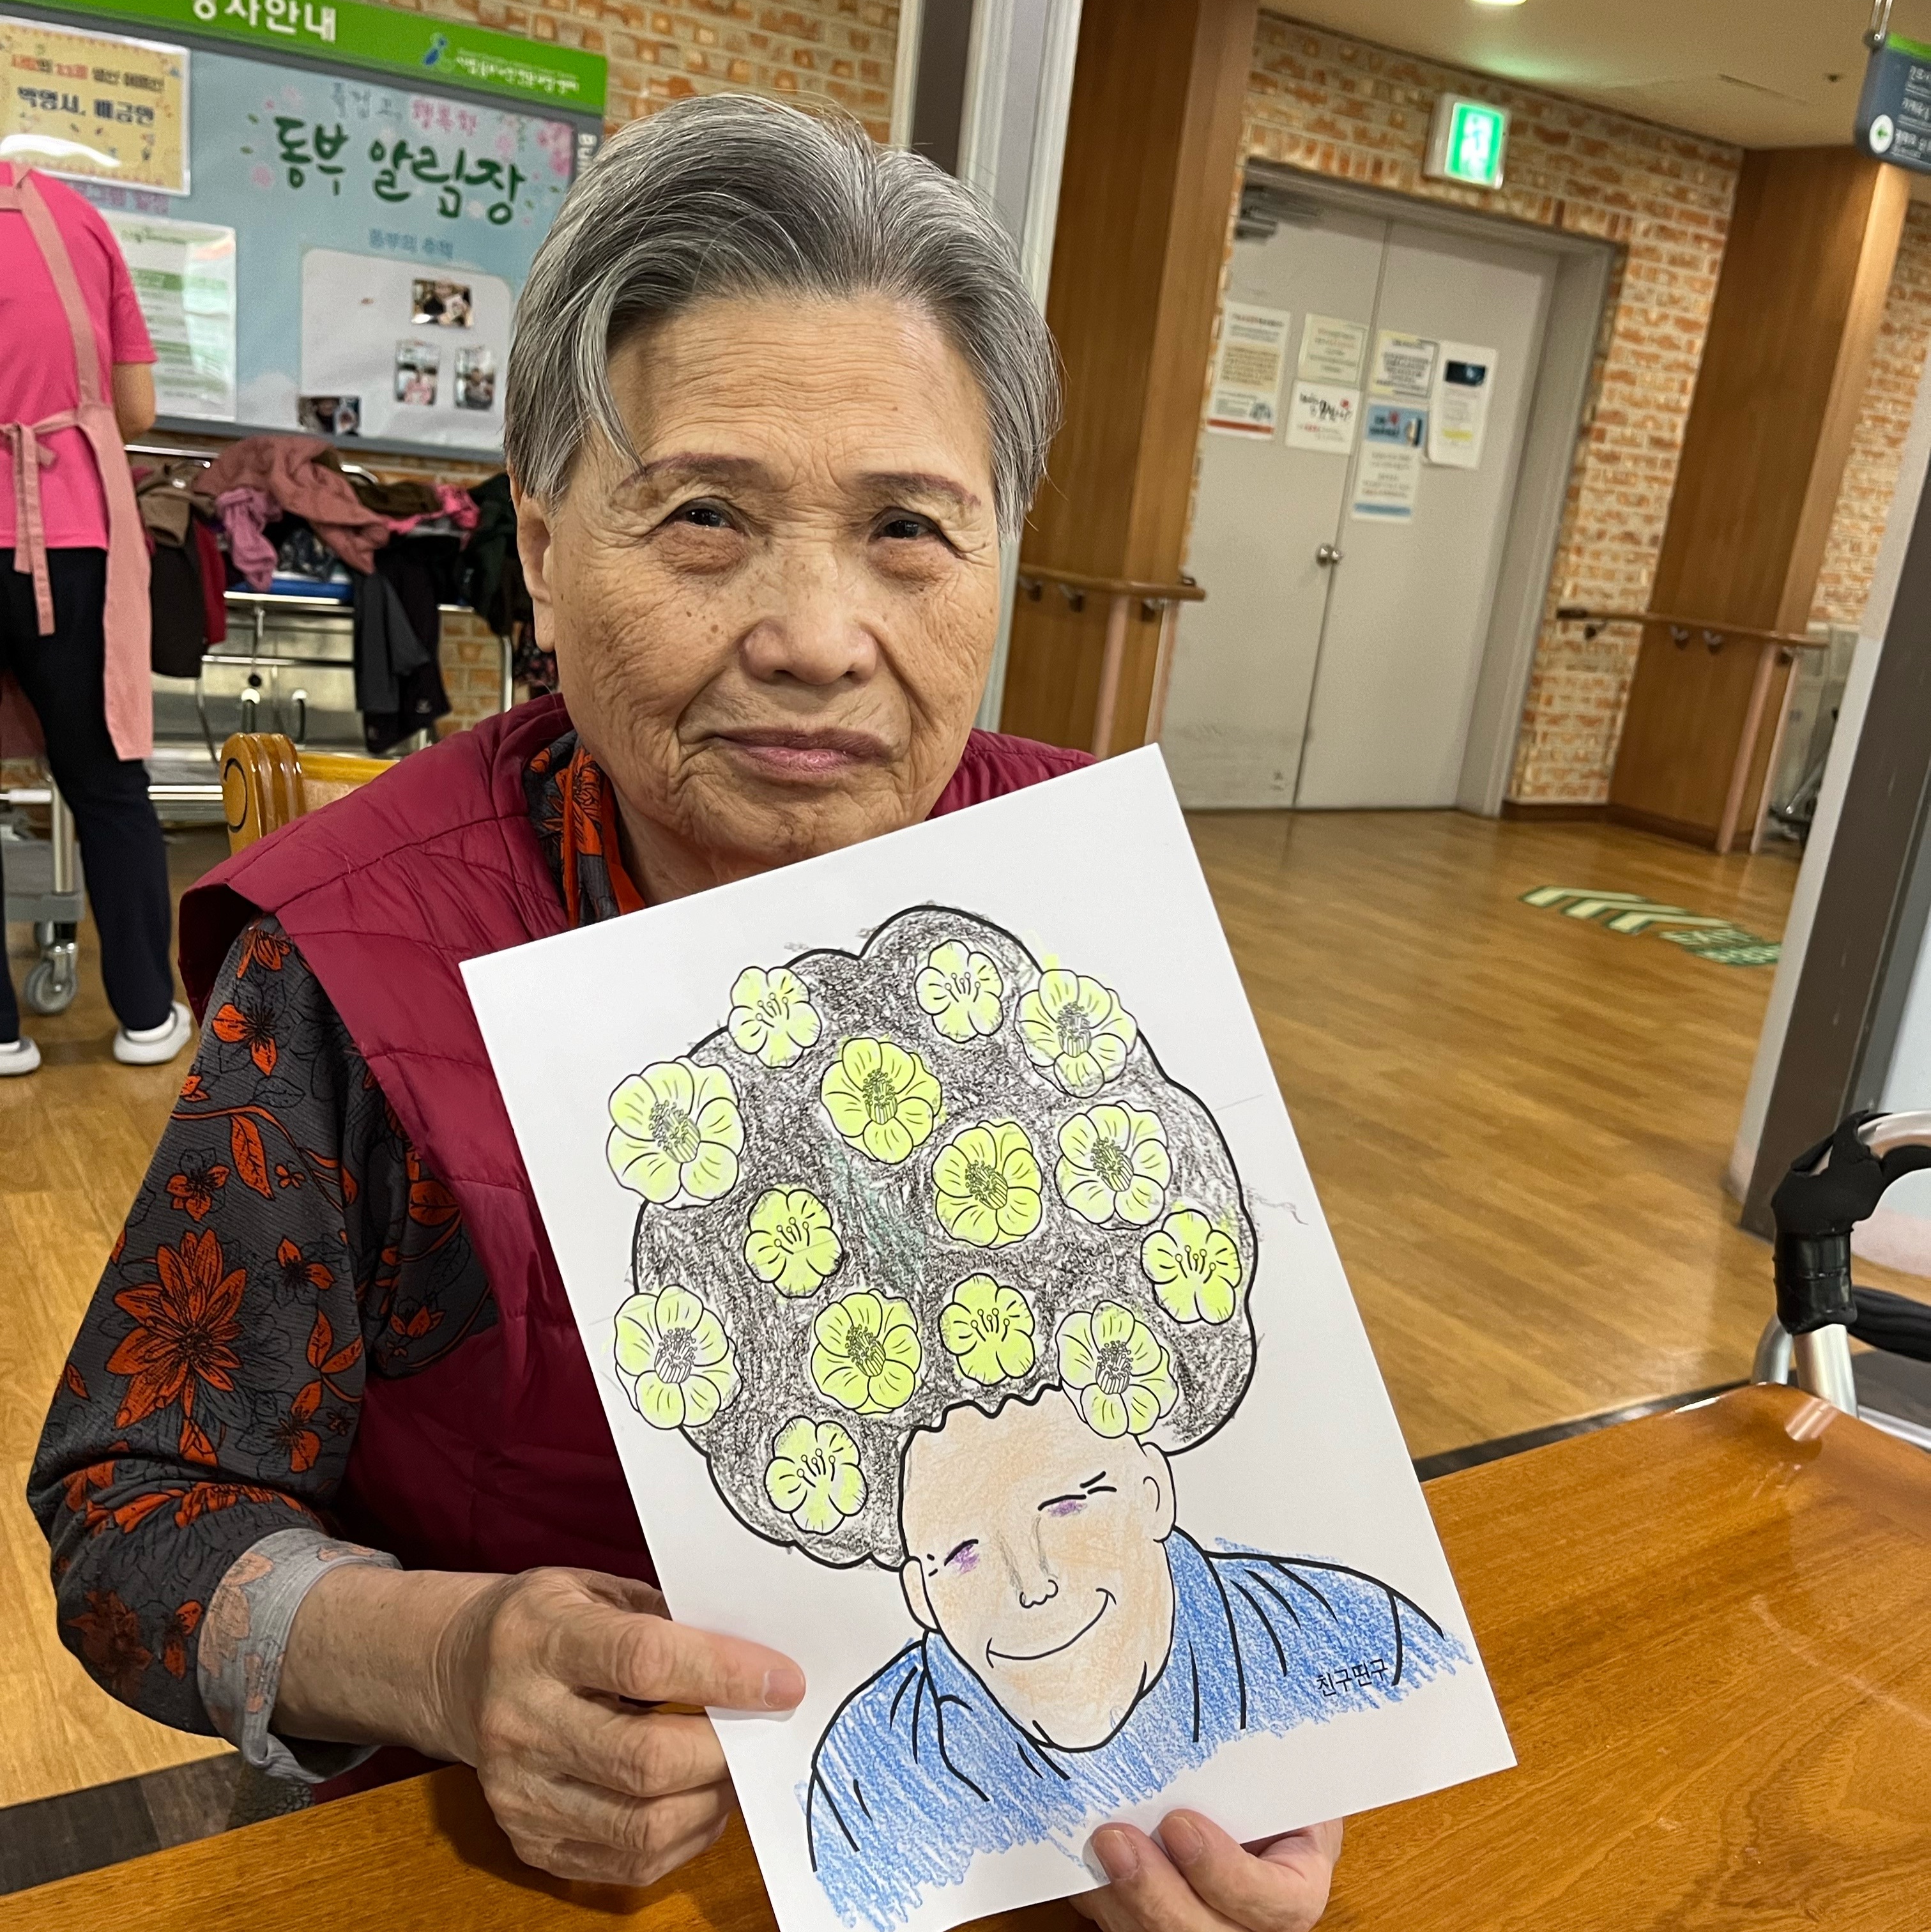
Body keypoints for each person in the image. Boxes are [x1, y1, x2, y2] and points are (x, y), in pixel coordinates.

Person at [31, 98, 1348, 1931]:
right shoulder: (352, 959)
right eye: (708, 517)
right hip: (505, 1860)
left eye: (909, 528)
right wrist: (447, 1659)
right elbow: (135, 1509)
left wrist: (1255, 1771)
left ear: (1001, 559)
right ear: (545, 548)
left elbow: (1254, 1453)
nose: (815, 633)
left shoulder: (1089, 911)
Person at [589, 902, 1465, 1928]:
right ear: (915, 1588)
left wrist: (1314, 1781)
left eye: (1069, 1503)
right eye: (960, 1554)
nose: (1032, 1582)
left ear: (1153, 1485)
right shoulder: (873, 1792)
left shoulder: (1359, 1650)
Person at [0, 162, 191, 1074]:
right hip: (74, 534)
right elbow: (136, 407)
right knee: (108, 783)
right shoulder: (75, 217)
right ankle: (148, 1016)